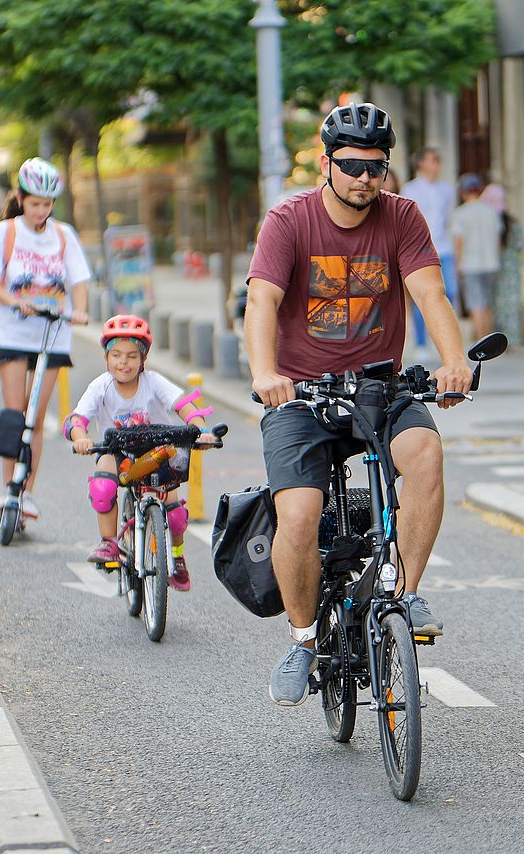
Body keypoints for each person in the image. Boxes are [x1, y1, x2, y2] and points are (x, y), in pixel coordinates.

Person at [244, 102, 473, 707]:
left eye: (376, 167)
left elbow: (429, 291)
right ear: (325, 163)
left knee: (425, 454)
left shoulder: (402, 217)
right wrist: (265, 373)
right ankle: (302, 638)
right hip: (301, 394)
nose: (364, 179)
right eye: (351, 166)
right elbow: (262, 302)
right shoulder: (289, 220)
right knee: (296, 515)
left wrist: (455, 363)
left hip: (378, 388)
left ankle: (402, 589)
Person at [64, 314, 216, 591]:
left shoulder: (154, 382)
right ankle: (109, 542)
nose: (124, 362)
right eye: (117, 355)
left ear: (143, 359)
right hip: (118, 452)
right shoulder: (99, 387)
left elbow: (183, 405)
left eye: (132, 356)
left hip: (158, 452)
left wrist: (200, 427)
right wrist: (81, 438)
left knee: (176, 516)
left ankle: (177, 557)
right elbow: (77, 419)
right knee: (101, 487)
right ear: (106, 359)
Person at [0, 157, 90, 520]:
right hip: (12, 330)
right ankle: (8, 486)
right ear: (21, 199)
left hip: (52, 333)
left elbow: (79, 280)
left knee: (37, 417)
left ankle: (28, 492)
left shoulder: (63, 235)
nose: (41, 211)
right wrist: (15, 301)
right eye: (35, 203)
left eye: (47, 204)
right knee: (16, 411)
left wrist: (82, 310)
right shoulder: (5, 232)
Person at [401, 147, 457, 361]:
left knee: (449, 292)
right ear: (422, 163)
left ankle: (443, 340)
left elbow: (447, 219)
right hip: (421, 249)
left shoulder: (446, 189)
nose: (436, 165)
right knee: (422, 295)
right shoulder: (411, 189)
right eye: (433, 160)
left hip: (444, 247)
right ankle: (422, 343)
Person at [451, 173, 502, 342]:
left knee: (475, 304)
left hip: (470, 264)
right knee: (486, 303)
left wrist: (457, 265)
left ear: (463, 192)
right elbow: (498, 239)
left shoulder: (460, 213)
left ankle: (481, 341)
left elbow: (459, 242)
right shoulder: (491, 212)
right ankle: (487, 339)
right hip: (491, 263)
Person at [480, 183, 523, 347]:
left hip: (490, 266)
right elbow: (520, 244)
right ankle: (512, 340)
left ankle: (497, 342)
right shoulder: (512, 223)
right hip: (511, 268)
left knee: (494, 303)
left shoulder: (487, 220)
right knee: (511, 303)